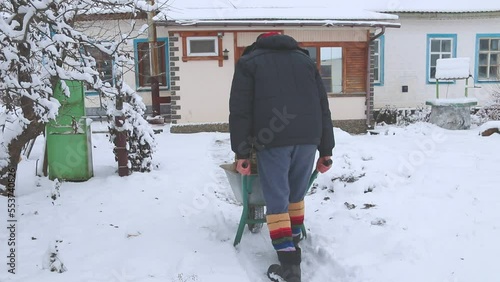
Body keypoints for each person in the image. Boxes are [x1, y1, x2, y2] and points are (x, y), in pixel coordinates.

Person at [229, 32, 335, 282]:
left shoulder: (250, 62)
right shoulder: (305, 61)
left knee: (276, 200)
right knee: (295, 196)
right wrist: (326, 149)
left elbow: (240, 110)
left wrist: (242, 153)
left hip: (272, 138)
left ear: (258, 44)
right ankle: (292, 240)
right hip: (309, 137)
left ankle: (289, 266)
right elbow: (323, 105)